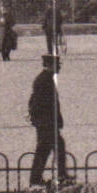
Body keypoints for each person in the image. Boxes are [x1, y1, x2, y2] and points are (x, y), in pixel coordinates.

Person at [28, 53, 74, 185]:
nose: (59, 67)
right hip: (46, 123)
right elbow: (40, 103)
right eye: (57, 65)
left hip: (46, 122)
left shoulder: (46, 78)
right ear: (50, 65)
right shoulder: (44, 80)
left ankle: (57, 175)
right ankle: (40, 178)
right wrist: (44, 121)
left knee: (52, 148)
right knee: (45, 149)